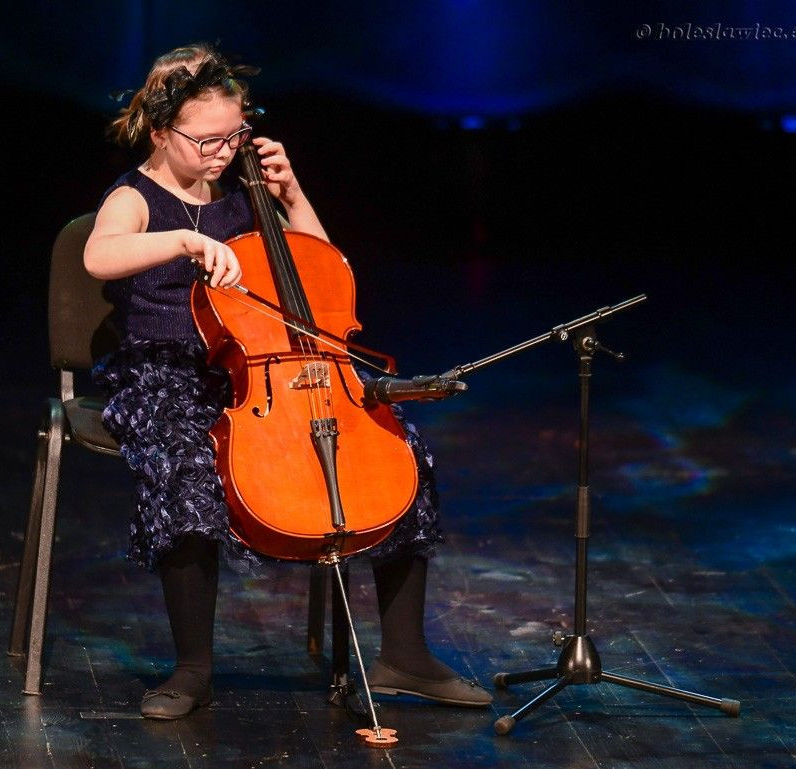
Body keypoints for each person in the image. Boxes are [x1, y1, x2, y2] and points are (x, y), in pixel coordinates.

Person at [84, 43, 491, 720]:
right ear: (161, 132)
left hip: (261, 371)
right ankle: (193, 667)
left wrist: (291, 194)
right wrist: (186, 241)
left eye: (235, 135)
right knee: (186, 464)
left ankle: (404, 654)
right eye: (206, 140)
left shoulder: (247, 197)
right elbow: (101, 254)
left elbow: (324, 269)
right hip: (163, 372)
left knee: (400, 448)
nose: (223, 151)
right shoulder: (135, 196)